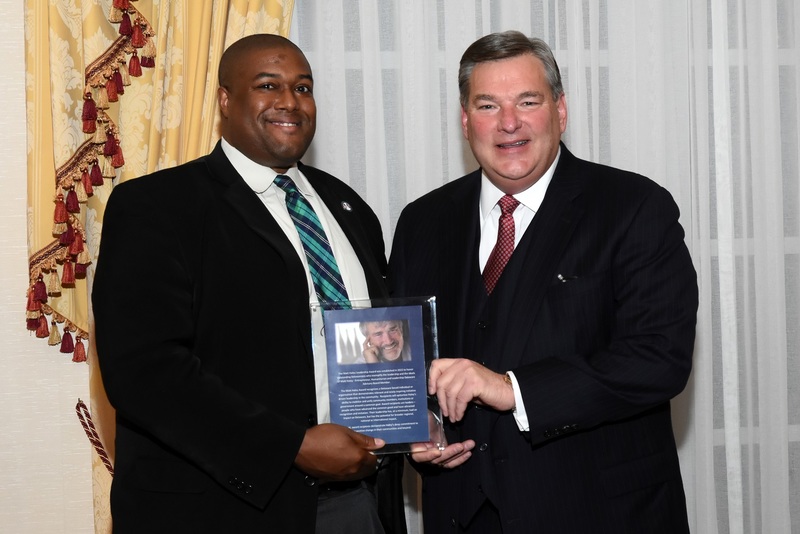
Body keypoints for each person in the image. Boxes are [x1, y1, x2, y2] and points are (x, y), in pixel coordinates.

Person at [92, 34, 406, 534]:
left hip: (354, 502)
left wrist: (408, 420)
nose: (289, 101)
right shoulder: (158, 207)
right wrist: (292, 446)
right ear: (225, 99)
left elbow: (378, 338)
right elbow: (145, 372)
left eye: (303, 87)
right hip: (220, 509)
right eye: (268, 85)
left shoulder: (348, 209)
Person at [390, 31, 698, 533]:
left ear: (560, 110)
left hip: (599, 513)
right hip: (461, 514)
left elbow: (658, 359)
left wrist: (511, 388)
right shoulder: (422, 222)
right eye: (488, 105)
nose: (508, 123)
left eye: (527, 101)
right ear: (465, 120)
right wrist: (417, 429)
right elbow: (405, 358)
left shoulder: (634, 207)